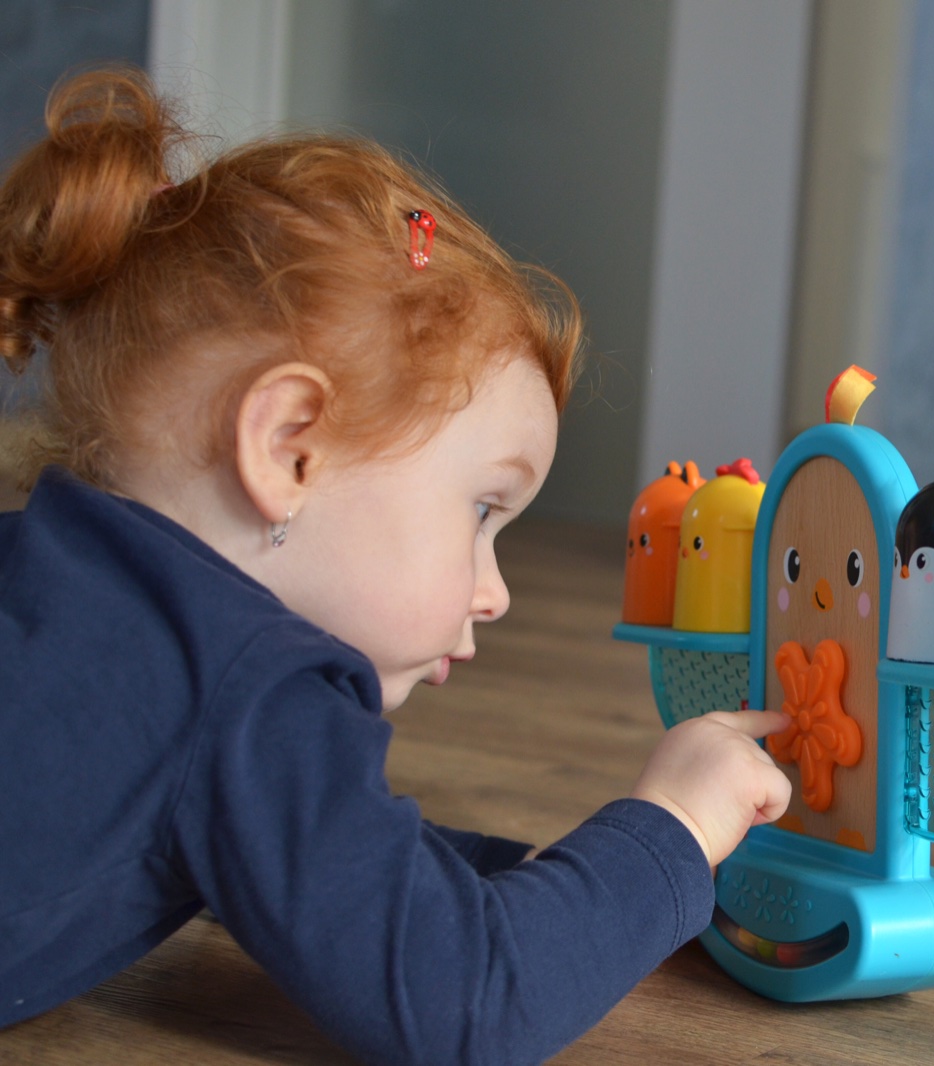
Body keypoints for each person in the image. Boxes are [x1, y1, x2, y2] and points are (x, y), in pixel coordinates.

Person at [0, 68, 791, 1064]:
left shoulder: (65, 592)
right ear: (290, 449)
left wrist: (572, 889)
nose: (496, 592)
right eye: (481, 510)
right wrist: (672, 827)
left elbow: (332, 864)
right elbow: (468, 1001)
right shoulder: (242, 691)